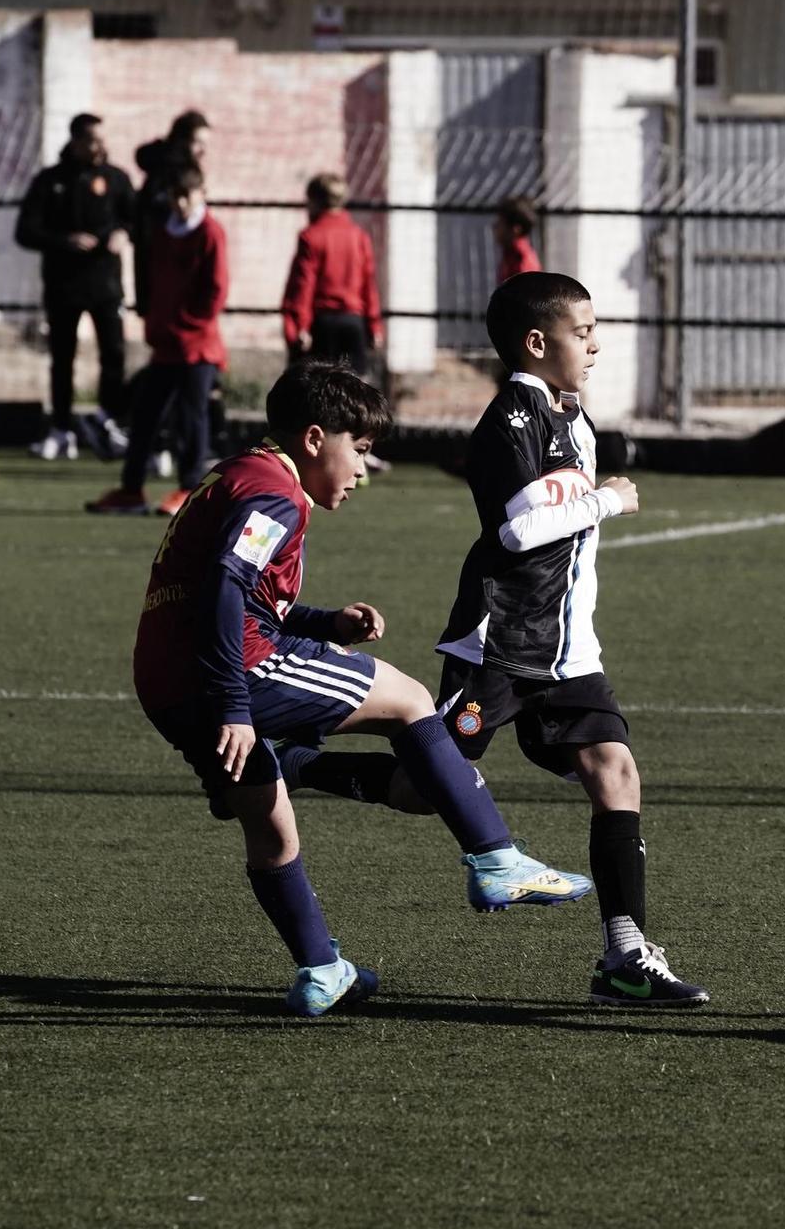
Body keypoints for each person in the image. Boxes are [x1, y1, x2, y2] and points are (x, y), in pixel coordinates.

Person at [277, 272, 709, 1008]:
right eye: (583, 331)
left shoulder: (576, 421)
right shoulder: (510, 418)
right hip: (499, 646)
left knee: (617, 772)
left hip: (569, 651)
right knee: (423, 790)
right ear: (537, 343)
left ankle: (626, 954)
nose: (596, 343)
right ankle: (299, 763)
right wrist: (608, 500)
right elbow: (515, 529)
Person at [130, 362, 591, 1017]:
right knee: (408, 700)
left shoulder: (237, 476)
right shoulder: (274, 496)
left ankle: (322, 968)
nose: (364, 469)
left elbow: (238, 593)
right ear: (316, 438)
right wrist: (235, 706)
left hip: (168, 682)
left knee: (272, 830)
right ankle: (496, 859)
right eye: (362, 449)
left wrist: (325, 622)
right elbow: (226, 588)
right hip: (234, 669)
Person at [88, 164, 226, 517]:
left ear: (201, 194)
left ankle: (189, 489)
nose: (180, 203)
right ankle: (131, 490)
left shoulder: (210, 232)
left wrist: (187, 323)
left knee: (191, 420)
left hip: (197, 347)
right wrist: (154, 321)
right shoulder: (164, 231)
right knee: (145, 416)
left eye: (187, 196)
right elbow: (154, 282)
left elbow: (216, 289)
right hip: (165, 346)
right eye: (175, 196)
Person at [14, 113, 133, 462]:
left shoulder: (117, 179)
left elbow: (137, 220)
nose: (100, 146)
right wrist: (64, 241)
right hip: (64, 286)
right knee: (62, 358)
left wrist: (123, 232)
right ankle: (60, 429)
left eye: (102, 139)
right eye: (93, 140)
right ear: (77, 141)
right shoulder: (51, 181)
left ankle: (109, 424)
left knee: (113, 355)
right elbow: (26, 231)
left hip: (106, 285)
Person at [282, 174, 383, 375]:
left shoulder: (310, 236)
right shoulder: (359, 237)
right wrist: (375, 326)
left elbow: (304, 286)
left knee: (318, 387)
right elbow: (368, 286)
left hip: (323, 325)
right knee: (353, 390)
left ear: (316, 201)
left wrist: (301, 326)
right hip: (353, 323)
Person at [132, 110, 210, 318]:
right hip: (165, 259)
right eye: (197, 142)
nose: (203, 150)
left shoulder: (169, 168)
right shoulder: (170, 173)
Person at [493, 196, 541, 284]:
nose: (495, 226)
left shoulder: (522, 260)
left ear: (516, 229)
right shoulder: (510, 254)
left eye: (500, 222)